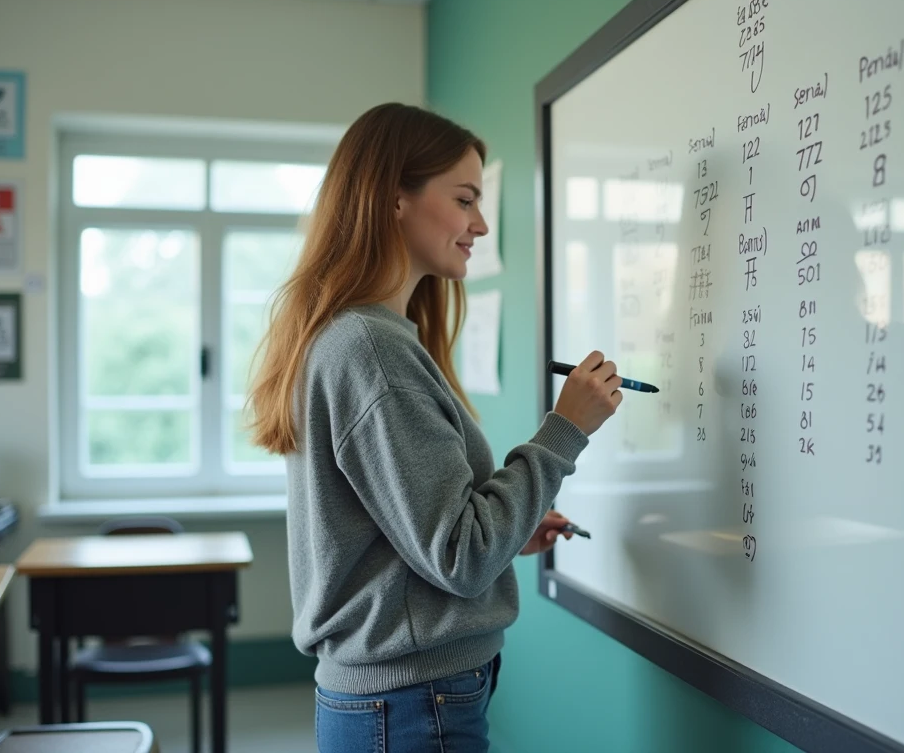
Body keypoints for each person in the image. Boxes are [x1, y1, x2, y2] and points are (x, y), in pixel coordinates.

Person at [246, 102, 622, 753]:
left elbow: (422, 537)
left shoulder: (366, 338)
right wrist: (565, 428)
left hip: (400, 698)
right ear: (395, 198)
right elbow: (461, 555)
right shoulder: (372, 350)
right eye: (465, 198)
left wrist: (510, 530)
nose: (480, 224)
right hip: (411, 702)